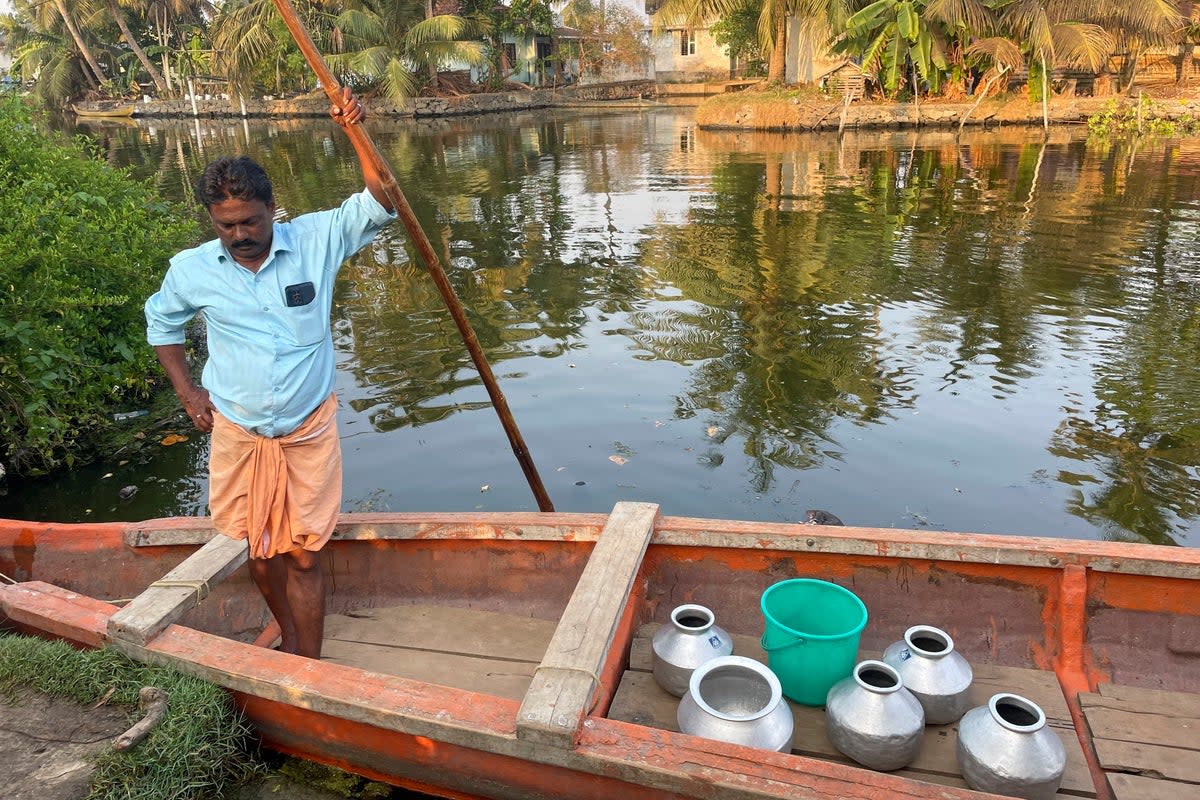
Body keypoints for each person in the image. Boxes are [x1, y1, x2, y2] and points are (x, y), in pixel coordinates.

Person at [144, 88, 396, 658]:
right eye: (226, 225)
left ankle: (309, 662)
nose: (239, 235)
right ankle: (290, 638)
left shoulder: (315, 240)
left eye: (250, 221)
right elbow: (162, 324)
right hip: (238, 429)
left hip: (307, 429)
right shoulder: (191, 270)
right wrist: (189, 392)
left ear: (271, 208)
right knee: (259, 551)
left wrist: (355, 131)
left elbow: (383, 197)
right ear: (212, 220)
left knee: (305, 553)